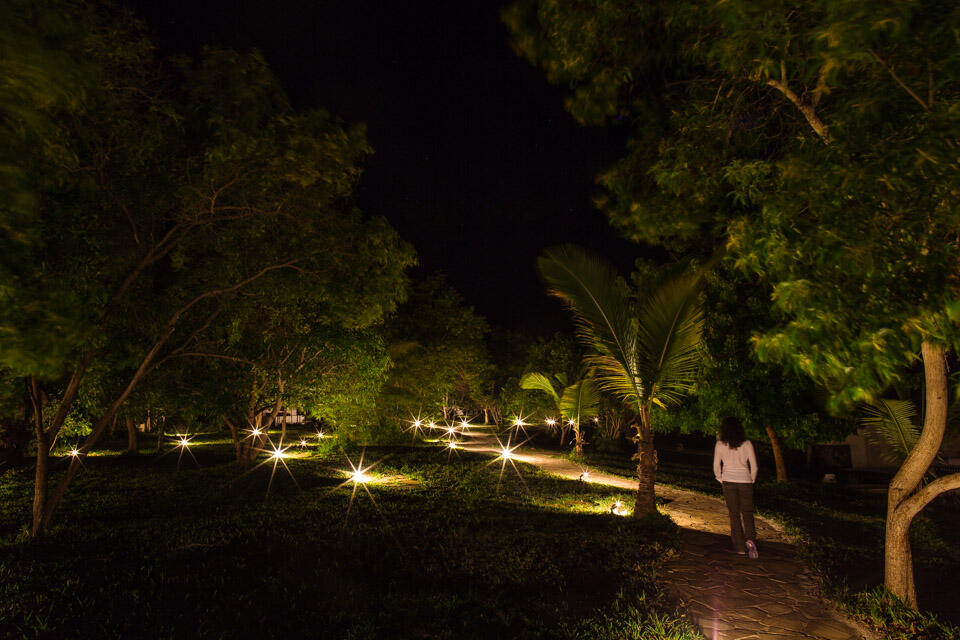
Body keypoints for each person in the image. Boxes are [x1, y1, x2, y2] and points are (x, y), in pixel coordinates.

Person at [713, 416, 759, 558]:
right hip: (745, 481)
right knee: (747, 513)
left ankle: (739, 547)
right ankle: (750, 539)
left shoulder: (720, 444)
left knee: (734, 514)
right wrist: (750, 480)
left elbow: (716, 466)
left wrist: (720, 478)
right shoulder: (747, 444)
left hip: (728, 481)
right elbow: (755, 467)